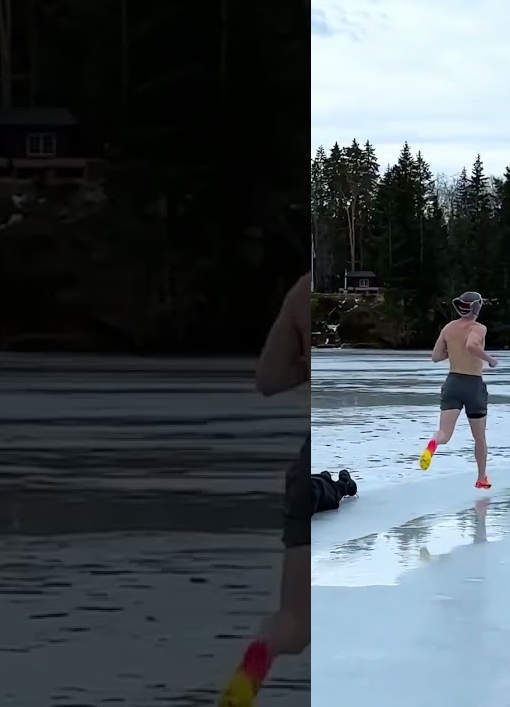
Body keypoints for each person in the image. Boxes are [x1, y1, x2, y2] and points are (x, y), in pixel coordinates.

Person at [218, 272, 312, 707]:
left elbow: (269, 379)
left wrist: (308, 364)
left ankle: (250, 673)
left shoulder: (304, 289)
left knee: (292, 623)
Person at [419, 290, 498, 489]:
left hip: (452, 382)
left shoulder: (448, 328)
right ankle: (481, 478)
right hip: (473, 385)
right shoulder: (478, 328)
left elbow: (436, 356)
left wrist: (453, 350)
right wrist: (490, 360)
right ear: (477, 307)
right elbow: (471, 345)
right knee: (479, 438)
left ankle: (433, 443)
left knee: (444, 433)